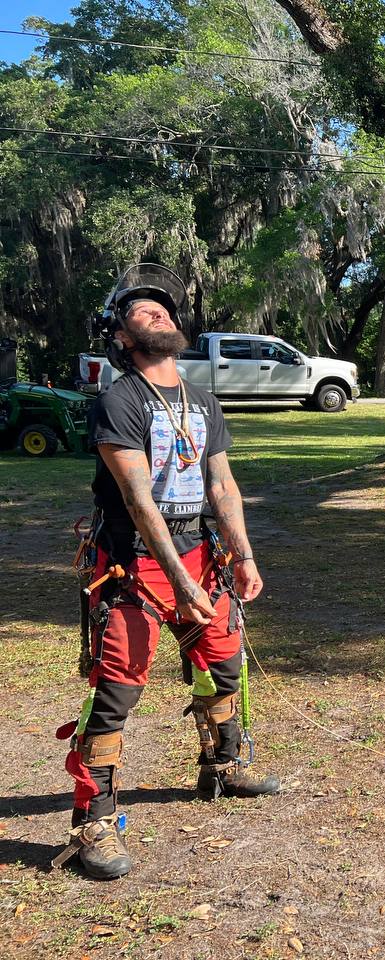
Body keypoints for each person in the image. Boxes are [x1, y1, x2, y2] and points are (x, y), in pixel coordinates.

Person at [58, 265, 278, 881]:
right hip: (130, 563)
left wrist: (243, 554)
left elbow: (222, 483)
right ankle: (92, 820)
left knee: (223, 659)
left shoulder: (200, 399)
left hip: (200, 553)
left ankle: (224, 764)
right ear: (120, 335)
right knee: (119, 684)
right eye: (141, 309)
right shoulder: (117, 399)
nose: (158, 312)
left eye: (163, 306)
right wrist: (178, 585)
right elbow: (137, 500)